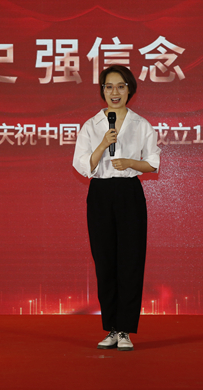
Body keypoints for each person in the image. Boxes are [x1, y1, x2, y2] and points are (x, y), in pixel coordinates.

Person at [72, 65, 160, 351]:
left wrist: (131, 163)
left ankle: (125, 330)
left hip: (128, 192)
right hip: (100, 193)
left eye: (120, 86)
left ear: (129, 89)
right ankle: (111, 327)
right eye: (109, 86)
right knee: (105, 261)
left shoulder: (141, 124)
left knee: (130, 262)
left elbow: (153, 162)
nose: (115, 92)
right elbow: (82, 165)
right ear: (102, 90)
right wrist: (102, 145)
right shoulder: (92, 125)